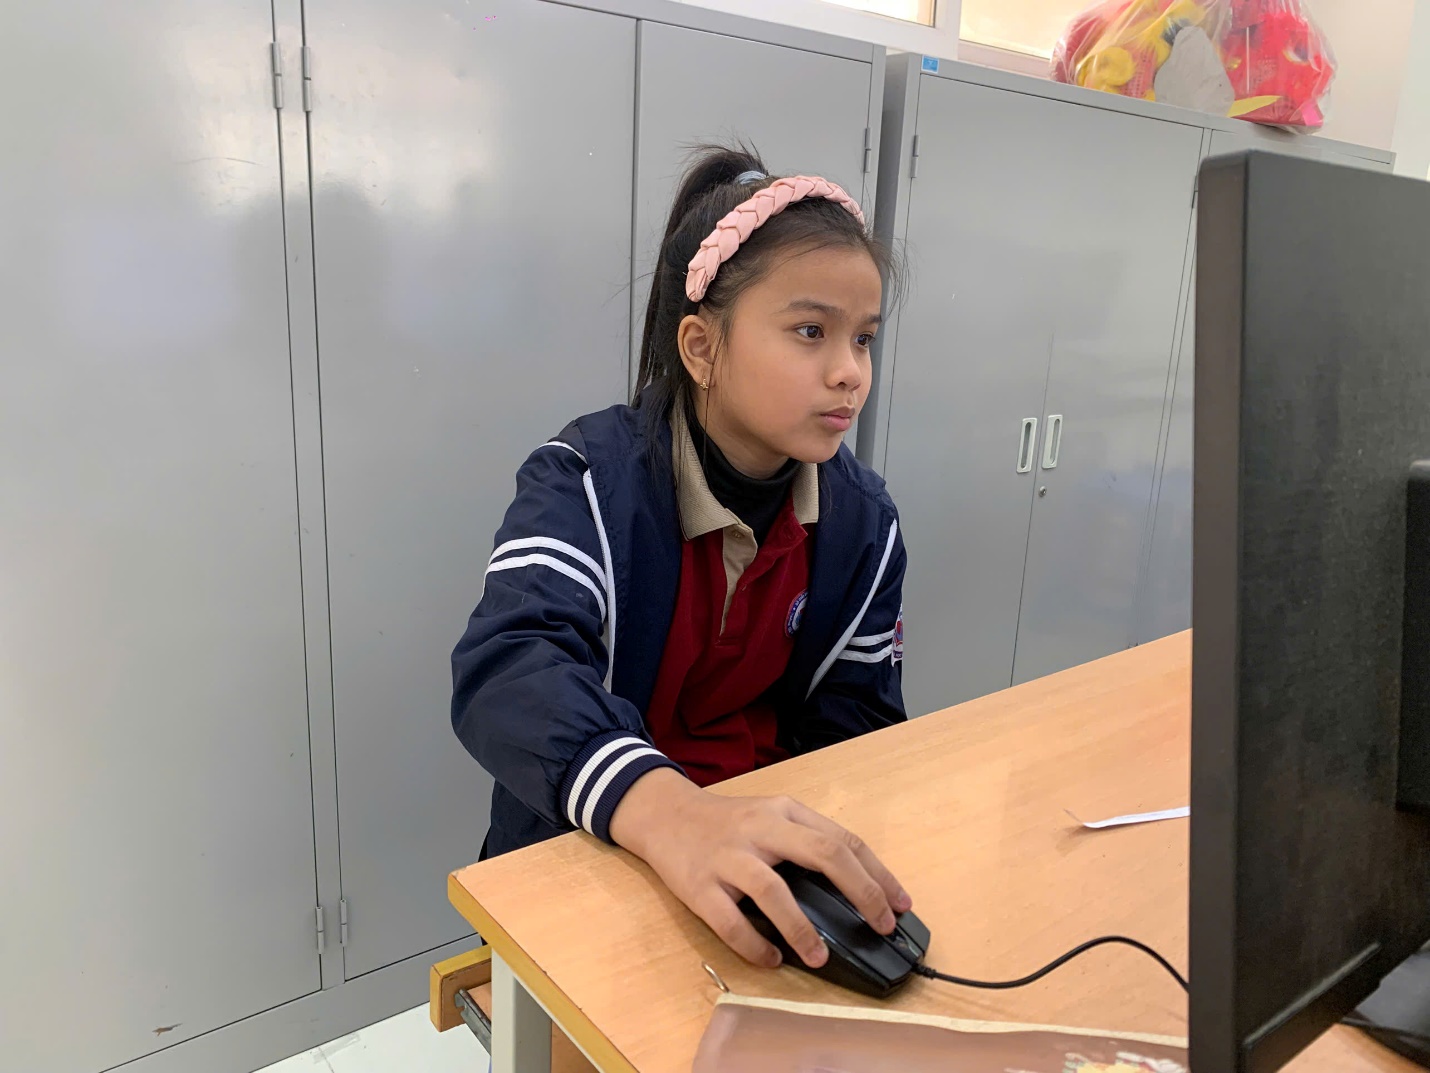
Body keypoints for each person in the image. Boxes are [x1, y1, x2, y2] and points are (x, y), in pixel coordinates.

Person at [451, 146, 912, 972]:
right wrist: (673, 813)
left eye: (864, 338)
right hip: (597, 848)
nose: (850, 372)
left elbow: (859, 729)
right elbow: (509, 670)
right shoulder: (586, 481)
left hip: (757, 870)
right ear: (701, 348)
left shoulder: (863, 525)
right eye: (811, 332)